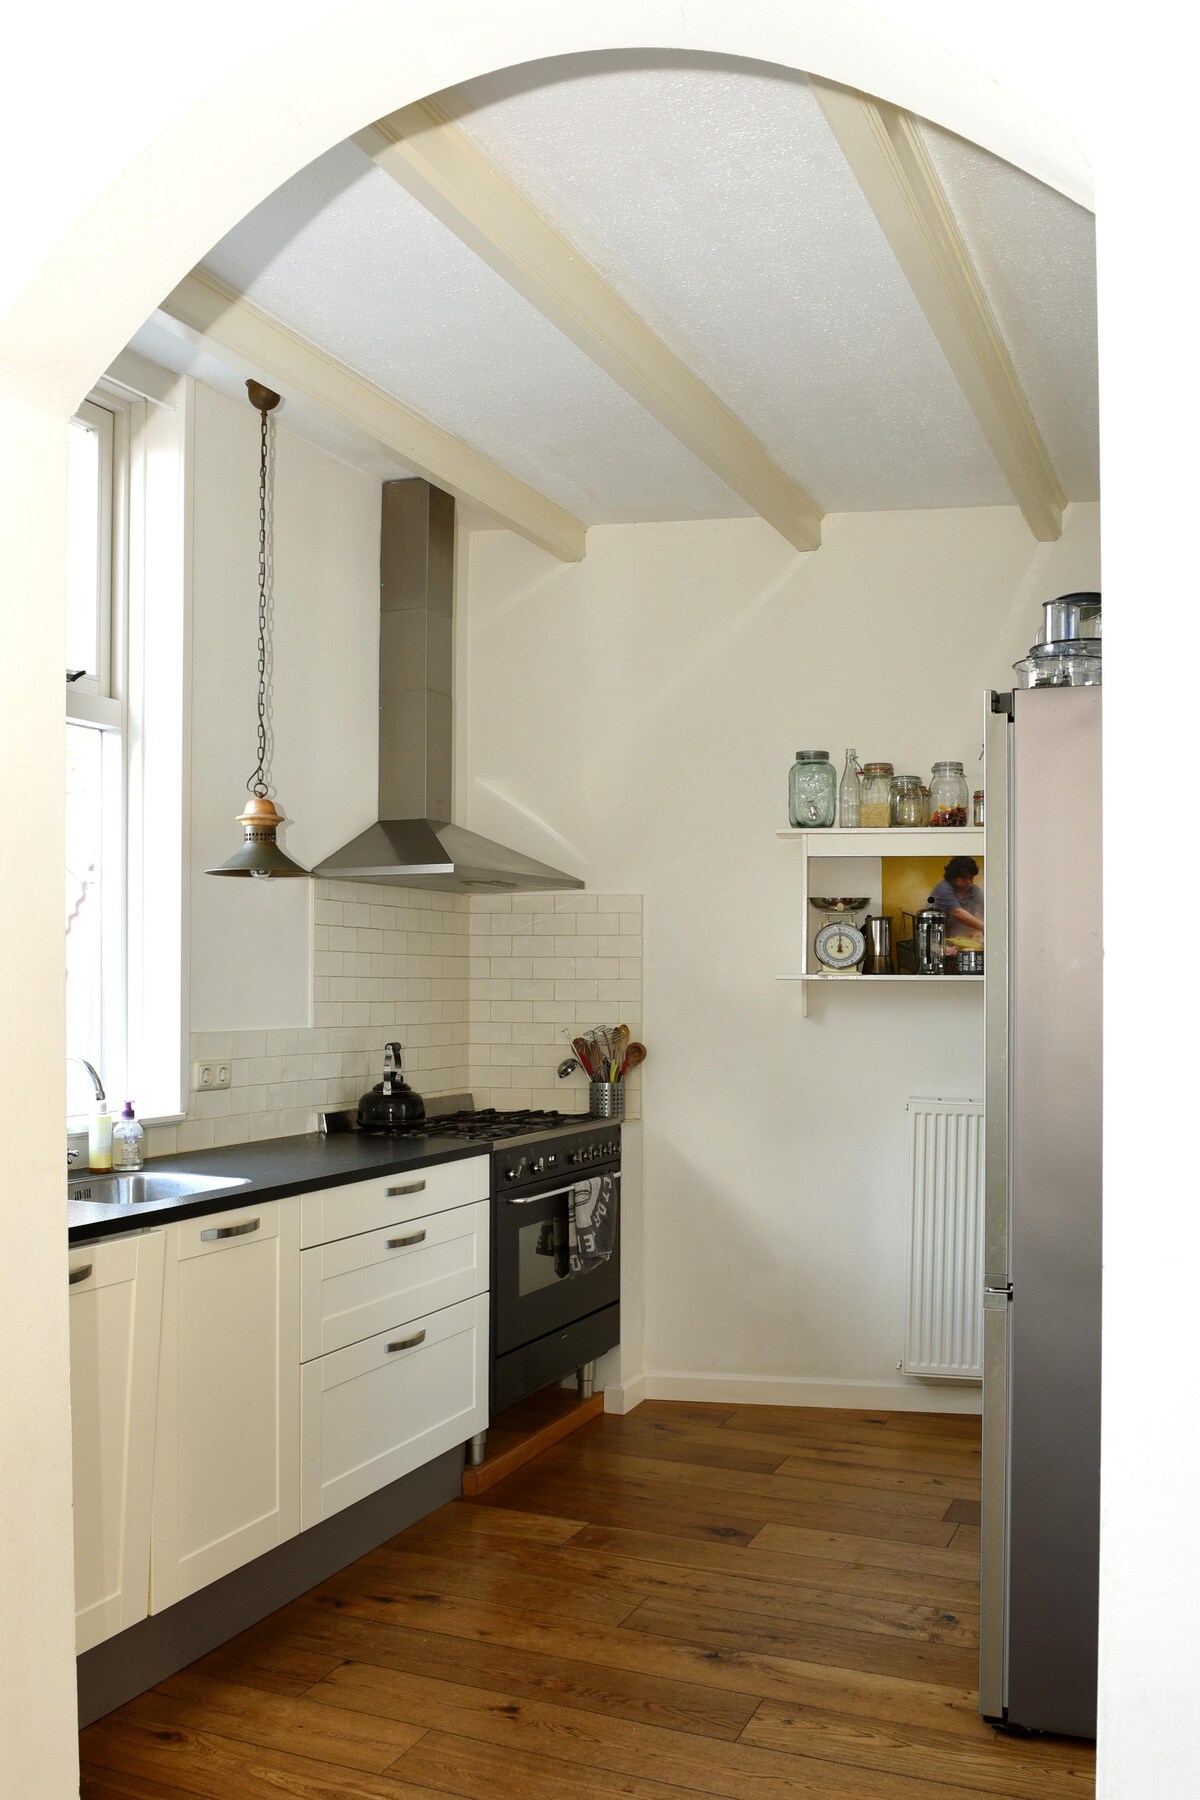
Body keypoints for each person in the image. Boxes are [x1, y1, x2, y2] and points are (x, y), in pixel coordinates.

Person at [928, 855, 984, 946]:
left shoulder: (974, 890)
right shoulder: (943, 888)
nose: (968, 881)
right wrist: (984, 927)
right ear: (952, 877)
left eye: (971, 877)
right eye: (964, 877)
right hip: (937, 942)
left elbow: (986, 910)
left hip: (958, 939)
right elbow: (958, 913)